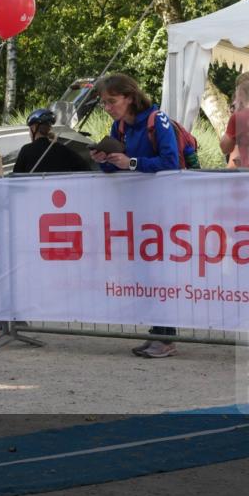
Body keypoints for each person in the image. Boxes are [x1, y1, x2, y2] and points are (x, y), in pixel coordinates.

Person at [90, 73, 180, 359]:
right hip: (138, 210)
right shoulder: (118, 127)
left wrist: (131, 162)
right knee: (145, 270)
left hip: (163, 208)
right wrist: (105, 161)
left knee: (160, 270)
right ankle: (158, 332)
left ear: (129, 96)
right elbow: (120, 168)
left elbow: (170, 161)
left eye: (112, 101)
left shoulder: (157, 119)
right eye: (104, 103)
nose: (108, 107)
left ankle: (166, 336)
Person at [13, 108, 92, 174]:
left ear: (33, 128)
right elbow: (85, 168)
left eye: (29, 129)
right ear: (49, 128)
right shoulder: (63, 150)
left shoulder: (26, 150)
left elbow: (15, 177)